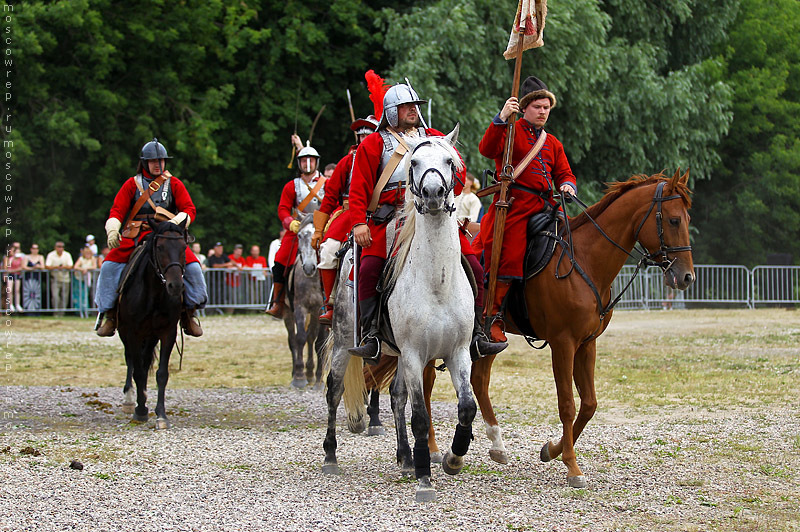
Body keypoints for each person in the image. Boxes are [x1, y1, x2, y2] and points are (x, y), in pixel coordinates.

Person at [348, 81, 506, 363]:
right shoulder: (373, 143)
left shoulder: (434, 137)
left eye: (415, 107)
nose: (412, 111)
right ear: (391, 112)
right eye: (406, 107)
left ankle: (477, 334)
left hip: (433, 216)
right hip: (389, 218)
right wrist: (359, 222)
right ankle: (370, 335)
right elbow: (358, 188)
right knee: (370, 268)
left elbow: (458, 177)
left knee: (474, 265)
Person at [478, 76, 577, 343]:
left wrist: (567, 186)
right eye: (537, 107)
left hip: (546, 205)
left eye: (546, 107)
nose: (543, 112)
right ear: (524, 108)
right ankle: (492, 316)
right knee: (508, 254)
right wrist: (500, 118)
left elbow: (565, 173)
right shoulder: (509, 130)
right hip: (515, 207)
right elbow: (486, 149)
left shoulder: (552, 142)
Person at [94, 138, 207, 337]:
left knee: (194, 267)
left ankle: (189, 313)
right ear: (145, 162)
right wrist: (113, 229)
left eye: (161, 160)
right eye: (154, 161)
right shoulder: (131, 184)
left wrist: (174, 225)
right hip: (136, 234)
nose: (158, 164)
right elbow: (117, 210)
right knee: (108, 266)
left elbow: (189, 209)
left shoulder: (174, 183)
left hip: (167, 235)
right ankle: (110, 314)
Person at [312, 114, 379, 324]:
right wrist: (318, 230)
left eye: (369, 134)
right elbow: (330, 196)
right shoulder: (347, 161)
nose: (363, 139)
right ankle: (330, 304)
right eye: (361, 135)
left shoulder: (387, 157)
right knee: (328, 251)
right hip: (349, 212)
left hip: (380, 213)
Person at [265, 136, 326, 317]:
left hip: (322, 229)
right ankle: (278, 302)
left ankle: (333, 301)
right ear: (299, 163)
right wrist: (290, 223)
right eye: (304, 160)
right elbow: (283, 208)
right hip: (298, 229)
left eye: (311, 160)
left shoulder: (327, 184)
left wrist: (329, 221)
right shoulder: (292, 186)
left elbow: (335, 204)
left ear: (316, 162)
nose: (308, 164)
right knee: (280, 261)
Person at [45, 241, 73, 316]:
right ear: (55, 247)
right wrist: (56, 267)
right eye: (59, 247)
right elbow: (47, 266)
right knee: (55, 296)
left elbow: (70, 266)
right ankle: (56, 312)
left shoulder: (67, 255)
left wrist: (63, 267)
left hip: (65, 279)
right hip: (55, 278)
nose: (60, 248)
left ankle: (62, 313)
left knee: (65, 297)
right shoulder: (51, 255)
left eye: (62, 247)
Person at [73, 244, 98, 314]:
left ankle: (87, 311)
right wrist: (82, 269)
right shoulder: (81, 258)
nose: (87, 254)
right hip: (80, 279)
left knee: (87, 295)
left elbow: (94, 267)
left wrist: (86, 269)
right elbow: (75, 267)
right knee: (80, 295)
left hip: (88, 280)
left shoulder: (93, 258)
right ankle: (80, 311)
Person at [4, 242, 25, 313]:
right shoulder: (8, 258)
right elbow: (7, 268)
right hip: (10, 275)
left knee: (17, 290)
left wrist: (14, 270)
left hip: (17, 275)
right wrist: (12, 259)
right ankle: (10, 304)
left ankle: (17, 304)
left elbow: (21, 267)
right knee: (9, 290)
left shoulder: (20, 258)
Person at [23, 243, 45, 312]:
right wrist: (32, 268)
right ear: (31, 249)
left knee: (36, 294)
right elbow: (23, 266)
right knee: (28, 294)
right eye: (33, 248)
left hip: (37, 277)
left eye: (36, 248)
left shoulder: (40, 257)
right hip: (28, 278)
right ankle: (28, 310)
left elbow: (43, 267)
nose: (35, 250)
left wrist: (38, 267)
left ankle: (36, 310)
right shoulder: (27, 257)